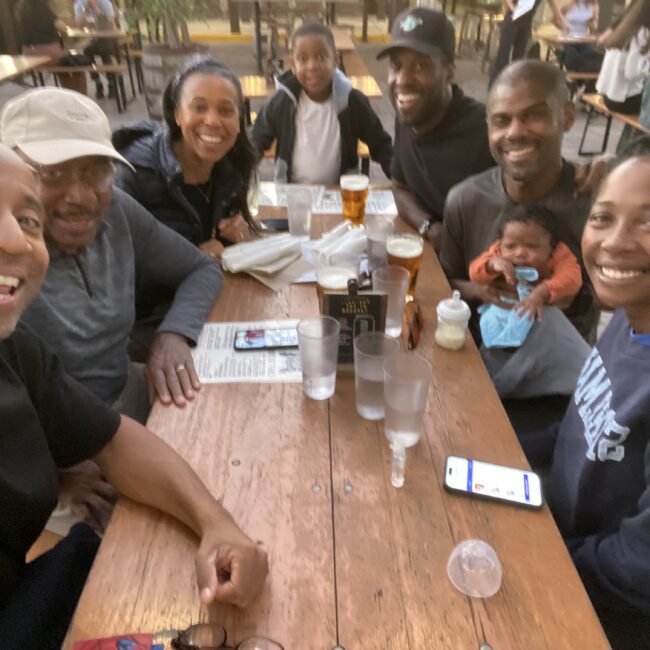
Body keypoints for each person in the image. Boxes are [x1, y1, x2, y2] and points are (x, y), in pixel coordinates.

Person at [0, 144, 268, 650]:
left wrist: (218, 523)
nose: (17, 239)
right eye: (55, 175)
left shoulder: (13, 348)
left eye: (26, 218)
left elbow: (115, 440)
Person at [0, 87, 223, 419]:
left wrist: (174, 333)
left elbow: (201, 269)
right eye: (52, 172)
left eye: (96, 171)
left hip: (125, 398)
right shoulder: (11, 255)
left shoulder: (117, 210)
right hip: (53, 437)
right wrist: (59, 463)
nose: (80, 196)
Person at [545, 155, 650, 649]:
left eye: (647, 221)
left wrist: (544, 555)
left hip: (606, 612)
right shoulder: (633, 318)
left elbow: (639, 567)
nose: (615, 241)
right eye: (603, 217)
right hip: (562, 535)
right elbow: (582, 423)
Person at [441, 59, 599, 345]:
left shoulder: (594, 200)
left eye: (534, 115)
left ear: (567, 117)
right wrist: (480, 289)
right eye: (502, 120)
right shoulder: (465, 199)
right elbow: (446, 283)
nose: (515, 132)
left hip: (566, 371)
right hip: (482, 359)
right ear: (488, 126)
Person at [114, 56, 256, 355]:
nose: (213, 121)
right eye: (199, 107)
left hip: (204, 300)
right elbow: (113, 273)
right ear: (177, 114)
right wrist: (189, 259)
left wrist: (239, 237)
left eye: (226, 110)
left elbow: (222, 246)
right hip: (146, 325)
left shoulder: (230, 163)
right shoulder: (134, 172)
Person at [376, 7, 495, 251]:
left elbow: (542, 185)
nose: (402, 80)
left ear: (449, 73)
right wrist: (429, 227)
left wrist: (595, 169)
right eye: (396, 66)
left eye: (420, 66)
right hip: (432, 255)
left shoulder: (488, 129)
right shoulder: (407, 117)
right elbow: (399, 188)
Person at [250, 22, 393, 184]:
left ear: (336, 60)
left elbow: (380, 143)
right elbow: (256, 140)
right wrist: (239, 174)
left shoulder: (352, 102)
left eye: (321, 57)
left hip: (338, 194)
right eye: (303, 59)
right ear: (293, 65)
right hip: (292, 194)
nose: (312, 66)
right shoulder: (281, 102)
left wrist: (401, 179)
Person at [469, 204, 583, 321]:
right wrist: (490, 265)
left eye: (532, 246)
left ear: (553, 247)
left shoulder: (560, 255)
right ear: (501, 243)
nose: (520, 253)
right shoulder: (498, 251)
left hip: (544, 317)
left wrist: (542, 291)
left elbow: (573, 279)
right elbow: (474, 274)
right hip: (503, 312)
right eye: (511, 246)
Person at [489, 0, 568, 88]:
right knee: (503, 59)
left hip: (526, 25)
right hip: (512, 20)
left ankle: (513, 90)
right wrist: (512, 7)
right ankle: (494, 89)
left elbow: (553, 6)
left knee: (518, 60)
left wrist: (563, 23)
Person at [596, 23, 650, 115]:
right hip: (623, 101)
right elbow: (630, 73)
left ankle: (630, 129)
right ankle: (636, 128)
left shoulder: (623, 26)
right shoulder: (643, 33)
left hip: (608, 95)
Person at [74, 0, 118, 100]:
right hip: (92, 40)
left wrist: (97, 11)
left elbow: (110, 23)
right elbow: (79, 27)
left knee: (105, 51)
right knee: (86, 53)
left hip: (107, 37)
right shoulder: (80, 5)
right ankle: (98, 82)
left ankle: (111, 84)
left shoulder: (105, 3)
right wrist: (84, 13)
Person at [555, 0, 603, 76]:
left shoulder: (594, 6)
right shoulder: (570, 4)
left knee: (590, 55)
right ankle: (574, 79)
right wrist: (563, 26)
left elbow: (594, 27)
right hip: (568, 39)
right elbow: (554, 20)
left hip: (583, 39)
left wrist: (592, 22)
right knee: (572, 56)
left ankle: (583, 79)